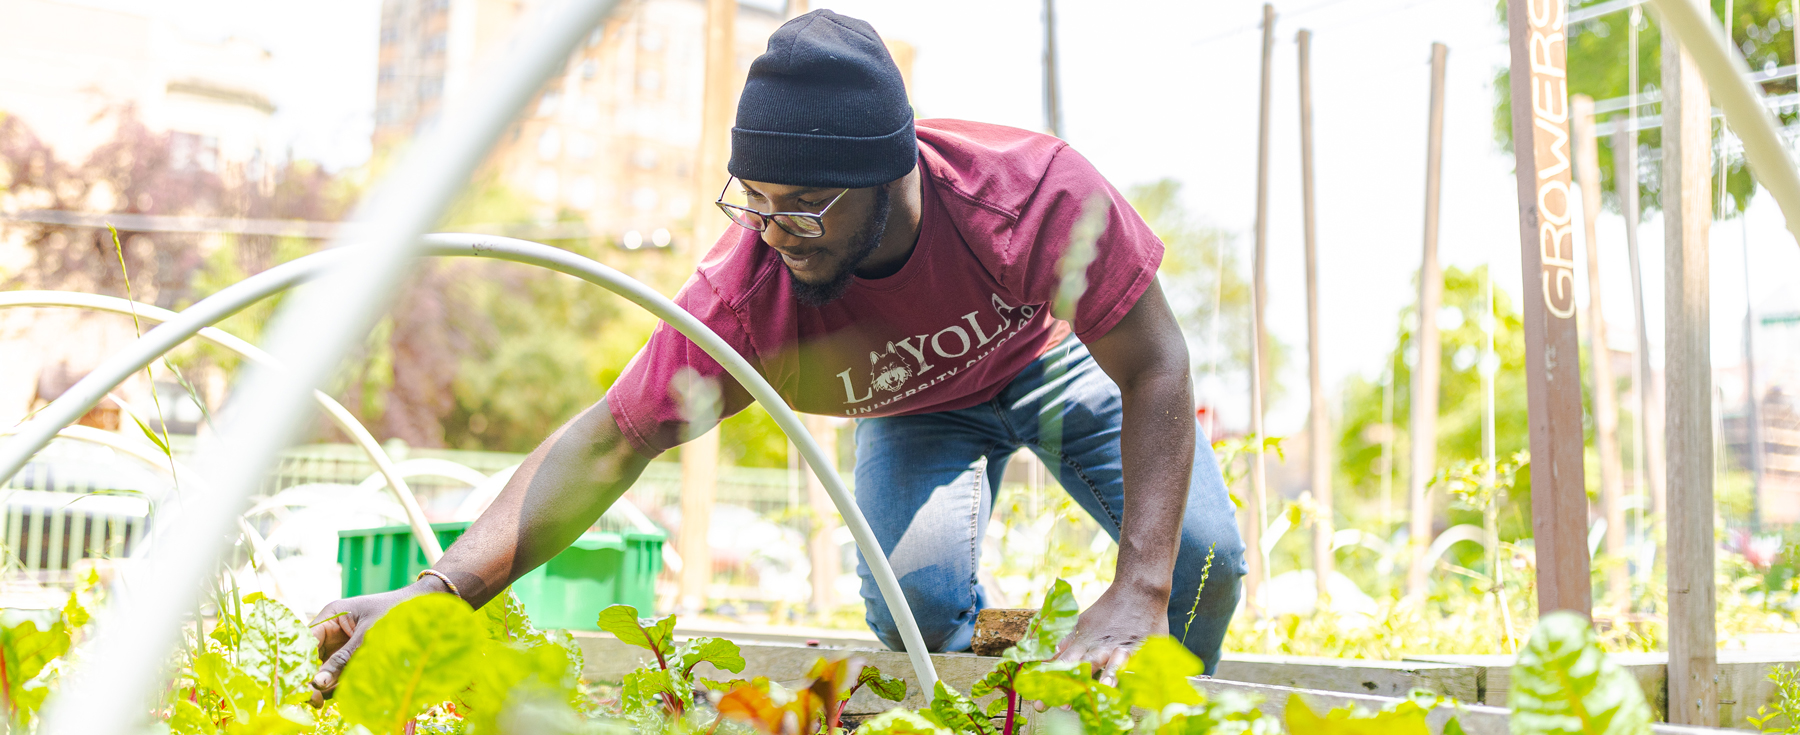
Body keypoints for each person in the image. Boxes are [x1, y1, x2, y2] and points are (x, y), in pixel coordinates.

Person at [309, 9, 1245, 699]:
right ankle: (1022, 664)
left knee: (1201, 561)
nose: (773, 229)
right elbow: (608, 440)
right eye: (752, 197)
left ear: (891, 172)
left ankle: (1154, 699)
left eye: (799, 203)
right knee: (916, 614)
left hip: (1050, 364)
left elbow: (1156, 362)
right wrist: (440, 590)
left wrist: (1140, 582)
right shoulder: (750, 292)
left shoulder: (1032, 197)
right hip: (912, 406)